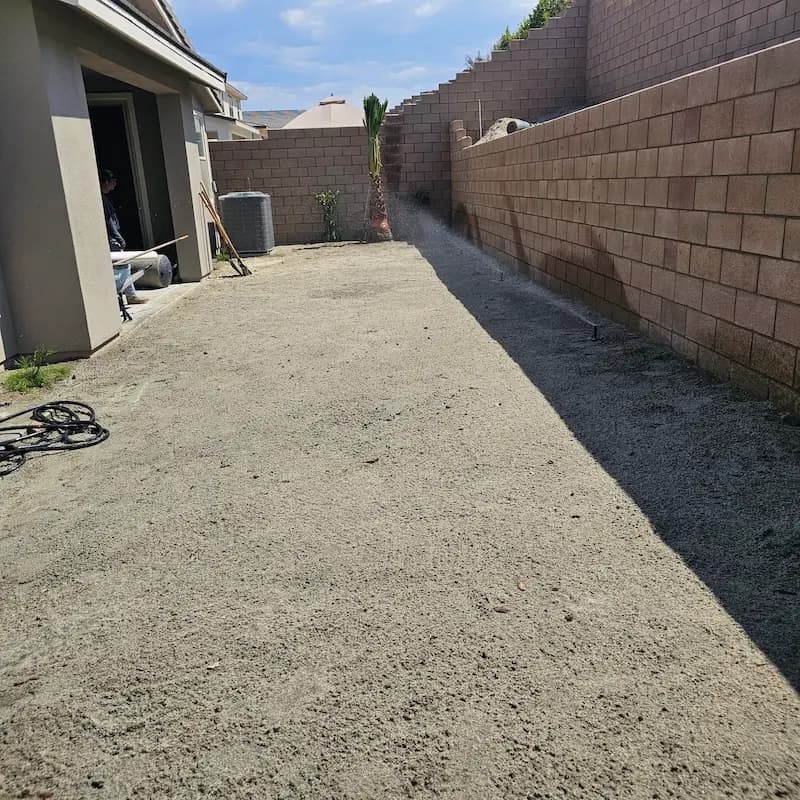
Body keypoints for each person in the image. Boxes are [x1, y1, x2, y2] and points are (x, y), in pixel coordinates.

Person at [100, 168, 147, 305]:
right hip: (112, 240)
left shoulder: (105, 198)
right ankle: (130, 296)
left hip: (113, 238)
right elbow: (108, 221)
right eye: (113, 181)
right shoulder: (102, 200)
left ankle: (129, 295)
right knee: (123, 266)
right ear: (106, 181)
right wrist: (118, 238)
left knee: (123, 266)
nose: (114, 184)